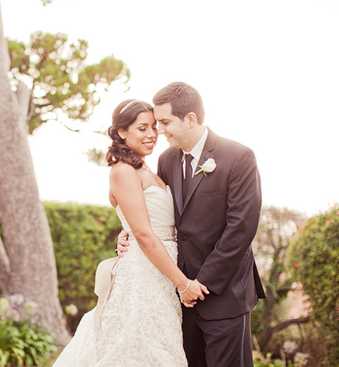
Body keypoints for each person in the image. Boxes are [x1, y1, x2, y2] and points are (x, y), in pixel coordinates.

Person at [118, 82, 266, 367]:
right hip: (179, 297)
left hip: (223, 295)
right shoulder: (167, 160)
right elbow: (159, 214)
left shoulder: (238, 157)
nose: (158, 131)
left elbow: (241, 229)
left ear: (190, 119)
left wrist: (200, 284)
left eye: (164, 122)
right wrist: (126, 235)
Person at [52, 99, 208, 367]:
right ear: (122, 132)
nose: (151, 135)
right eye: (142, 128)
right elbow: (145, 235)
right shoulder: (123, 171)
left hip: (161, 275)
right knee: (139, 351)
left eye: (154, 127)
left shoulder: (148, 167)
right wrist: (183, 284)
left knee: (159, 351)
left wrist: (125, 233)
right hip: (142, 277)